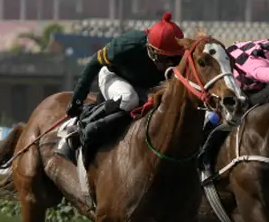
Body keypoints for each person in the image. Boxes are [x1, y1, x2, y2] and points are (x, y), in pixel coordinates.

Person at [54, 12, 187, 162]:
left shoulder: (180, 57)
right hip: (113, 76)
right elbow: (94, 63)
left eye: (174, 59)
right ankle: (82, 127)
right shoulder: (130, 44)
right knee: (129, 98)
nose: (168, 65)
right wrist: (77, 99)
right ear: (150, 48)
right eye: (163, 58)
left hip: (145, 86)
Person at [198, 34, 269, 185]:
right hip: (231, 83)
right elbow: (266, 74)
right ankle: (203, 157)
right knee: (215, 117)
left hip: (252, 86)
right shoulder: (256, 61)